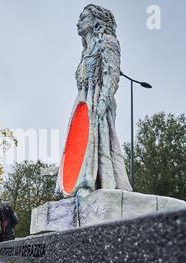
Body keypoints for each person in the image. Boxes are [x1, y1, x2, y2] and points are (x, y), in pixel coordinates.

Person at [56, 4, 132, 198]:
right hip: (82, 100)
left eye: (83, 18)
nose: (78, 23)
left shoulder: (108, 42)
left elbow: (111, 74)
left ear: (96, 20)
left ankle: (90, 183)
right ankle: (77, 183)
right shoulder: (85, 51)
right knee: (79, 143)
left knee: (98, 141)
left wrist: (102, 103)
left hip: (97, 99)